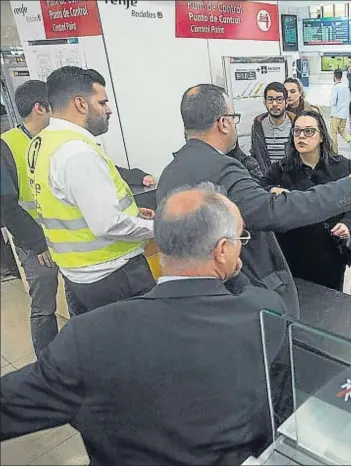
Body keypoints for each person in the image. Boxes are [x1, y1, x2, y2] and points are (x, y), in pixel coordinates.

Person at [0, 184, 286, 464]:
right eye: (240, 239)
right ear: (222, 250)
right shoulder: (262, 314)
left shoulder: (88, 338)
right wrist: (233, 272)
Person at [157, 84, 351, 316]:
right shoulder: (225, 170)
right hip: (231, 294)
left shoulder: (170, 173)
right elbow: (274, 211)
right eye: (233, 117)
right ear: (223, 123)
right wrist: (350, 187)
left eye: (309, 132)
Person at [27, 66, 154, 313]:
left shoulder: (42, 142)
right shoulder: (76, 152)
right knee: (141, 345)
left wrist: (134, 216)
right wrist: (159, 228)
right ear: (80, 104)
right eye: (102, 102)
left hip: (78, 273)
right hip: (113, 275)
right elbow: (108, 224)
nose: (108, 110)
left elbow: (69, 202)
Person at [0, 80, 74, 354]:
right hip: (36, 242)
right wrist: (38, 242)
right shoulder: (6, 145)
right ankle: (47, 364)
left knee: (75, 293)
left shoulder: (59, 138)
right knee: (44, 306)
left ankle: (76, 352)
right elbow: (5, 205)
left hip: (68, 235)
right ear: (39, 108)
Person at [260, 111, 351, 291]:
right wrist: (270, 190)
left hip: (330, 251)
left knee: (330, 302)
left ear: (321, 136)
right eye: (297, 131)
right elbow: (260, 188)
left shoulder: (341, 166)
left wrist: (347, 224)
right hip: (293, 250)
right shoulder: (282, 168)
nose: (301, 137)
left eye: (308, 132)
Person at [251, 82, 296, 174]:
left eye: (279, 99)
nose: (274, 104)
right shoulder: (257, 126)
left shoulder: (296, 125)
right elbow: (255, 154)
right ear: (265, 102)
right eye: (270, 99)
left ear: (286, 102)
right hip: (265, 180)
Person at [329, 69, 351, 154]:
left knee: (333, 133)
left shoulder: (335, 88)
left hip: (336, 114)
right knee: (342, 131)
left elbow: (332, 102)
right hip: (344, 114)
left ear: (334, 76)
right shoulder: (346, 87)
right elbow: (350, 100)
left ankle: (334, 151)